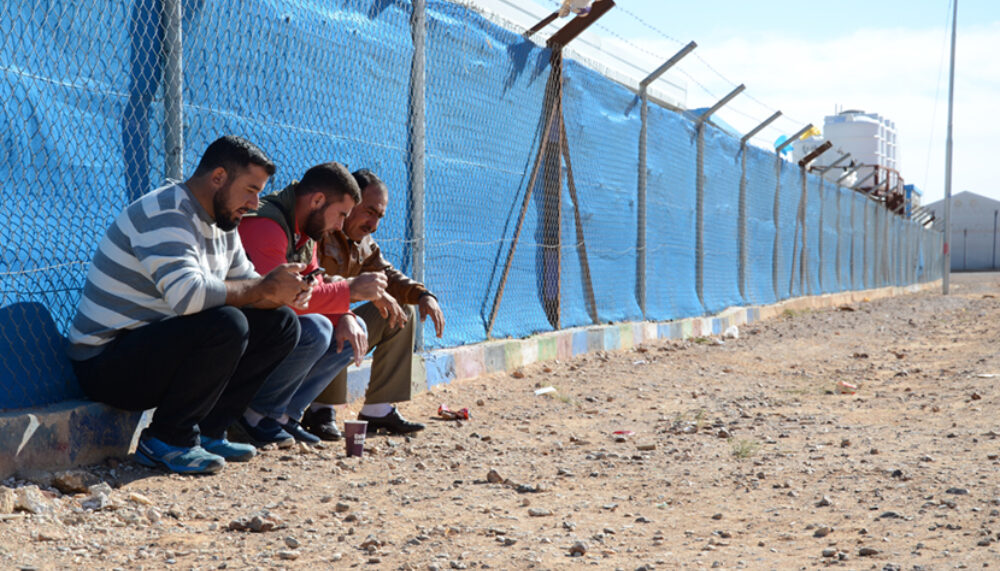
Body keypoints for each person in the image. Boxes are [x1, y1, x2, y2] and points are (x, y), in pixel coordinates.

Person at [67, 135, 309, 475]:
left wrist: (285, 292)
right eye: (250, 190)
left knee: (281, 323)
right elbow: (188, 297)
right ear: (218, 177)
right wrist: (263, 288)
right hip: (106, 363)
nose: (255, 203)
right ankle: (166, 439)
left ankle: (208, 431)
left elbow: (249, 284)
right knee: (227, 323)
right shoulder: (165, 212)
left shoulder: (223, 221)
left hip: (155, 347)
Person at [236, 162, 387, 446]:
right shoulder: (266, 225)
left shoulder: (306, 228)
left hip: (270, 330)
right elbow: (281, 298)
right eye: (341, 214)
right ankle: (252, 414)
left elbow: (313, 284)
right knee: (316, 329)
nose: (341, 226)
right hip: (235, 338)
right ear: (317, 200)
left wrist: (345, 314)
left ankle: (283, 416)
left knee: (353, 328)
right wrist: (350, 291)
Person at [305, 168, 445, 439]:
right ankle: (320, 409)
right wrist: (346, 296)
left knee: (401, 310)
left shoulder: (363, 242)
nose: (374, 224)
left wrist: (422, 295)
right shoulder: (319, 230)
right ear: (350, 201)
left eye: (379, 216)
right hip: (309, 327)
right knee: (339, 315)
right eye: (369, 212)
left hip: (335, 319)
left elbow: (387, 276)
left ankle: (378, 411)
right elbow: (312, 282)